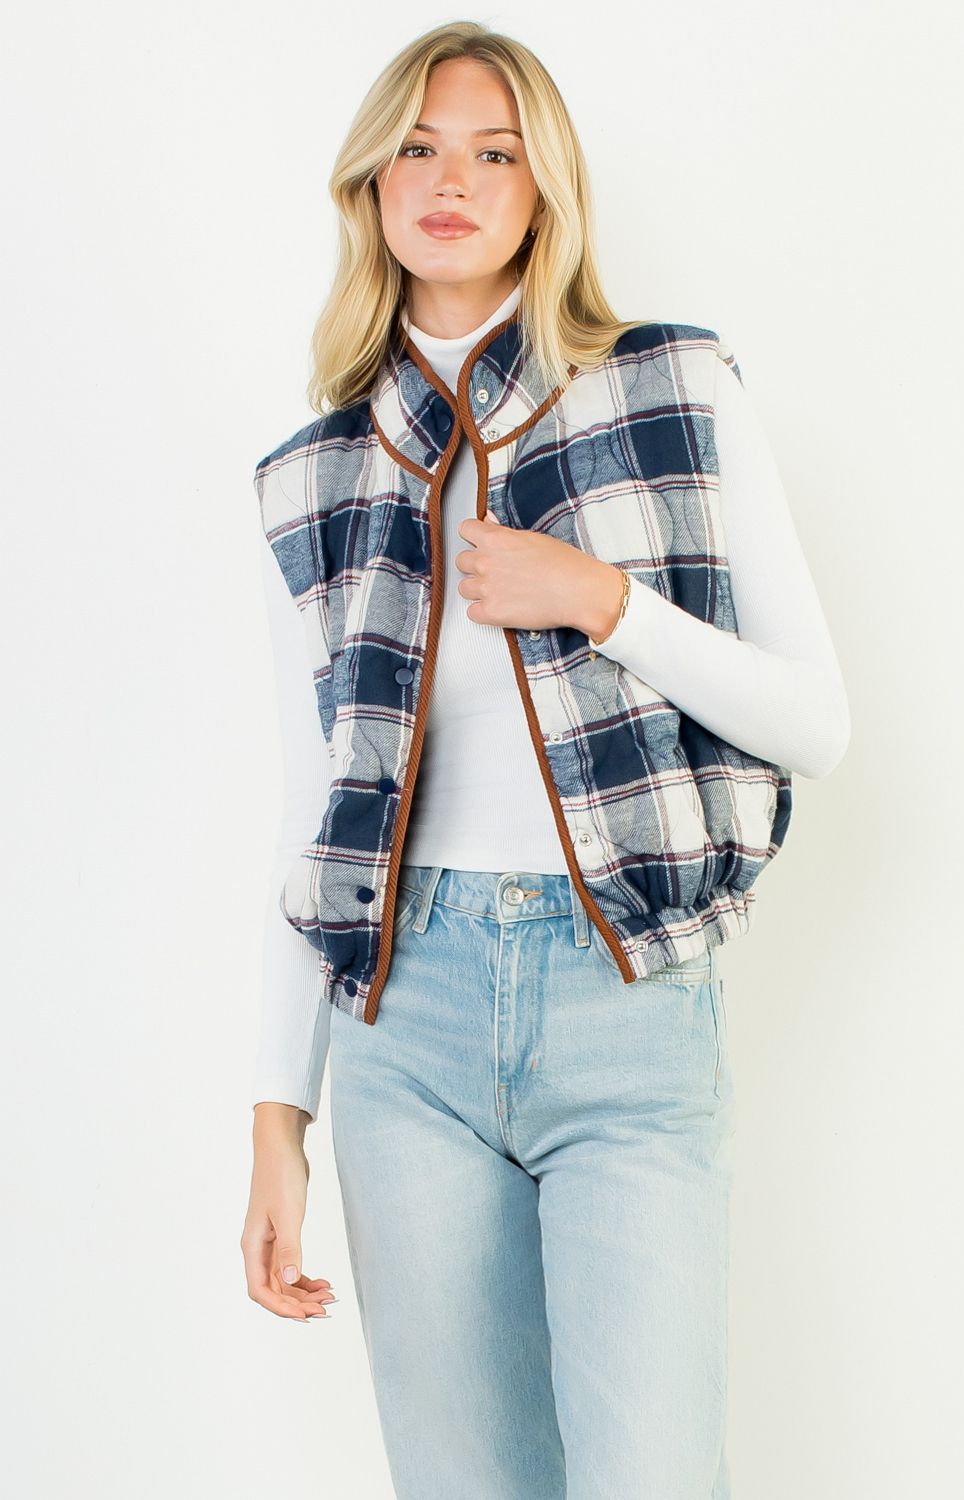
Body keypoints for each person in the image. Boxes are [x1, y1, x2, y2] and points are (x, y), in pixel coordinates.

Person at [240, 20, 850, 1500]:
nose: (451, 181)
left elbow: (816, 724)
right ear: (371, 183)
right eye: (419, 149)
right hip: (405, 1027)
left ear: (545, 190)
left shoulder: (673, 388)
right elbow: (318, 819)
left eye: (495, 153)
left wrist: (603, 600)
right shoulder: (316, 478)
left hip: (624, 1004)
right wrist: (278, 1117)